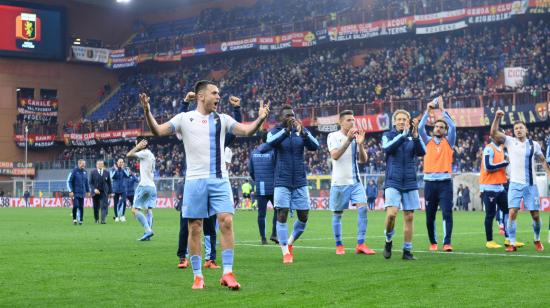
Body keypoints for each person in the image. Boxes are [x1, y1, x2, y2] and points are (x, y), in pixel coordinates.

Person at [140, 79, 269, 290]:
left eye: (218, 93)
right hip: (194, 181)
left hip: (219, 179)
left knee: (226, 221)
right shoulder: (184, 118)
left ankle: (227, 273)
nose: (218, 97)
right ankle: (198, 275)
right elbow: (158, 131)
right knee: (195, 228)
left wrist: (261, 118)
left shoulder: (223, 119)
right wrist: (147, 112)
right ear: (201, 96)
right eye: (214, 93)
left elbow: (247, 131)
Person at [175, 91, 243, 270]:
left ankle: (210, 258)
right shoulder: (191, 131)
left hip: (214, 182)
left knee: (212, 225)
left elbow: (235, 132)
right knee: (188, 224)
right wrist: (184, 103)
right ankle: (183, 256)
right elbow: (179, 124)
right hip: (193, 181)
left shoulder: (220, 140)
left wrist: (237, 110)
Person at [266, 104, 319, 264]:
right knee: (281, 214)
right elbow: (270, 143)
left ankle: (289, 243)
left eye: (292, 115)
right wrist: (286, 131)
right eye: (288, 115)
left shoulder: (300, 131)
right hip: (282, 180)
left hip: (300, 181)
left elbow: (315, 146)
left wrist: (303, 132)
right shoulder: (275, 131)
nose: (291, 118)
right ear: (281, 118)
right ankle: (285, 252)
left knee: (304, 216)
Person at [491, 112, 550, 252]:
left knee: (535, 215)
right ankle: (511, 243)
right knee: (512, 212)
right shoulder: (510, 141)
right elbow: (493, 133)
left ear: (526, 130)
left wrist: (548, 173)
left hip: (531, 185)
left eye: (521, 128)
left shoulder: (534, 144)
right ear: (514, 131)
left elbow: (542, 160)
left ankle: (536, 239)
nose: (518, 130)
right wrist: (497, 118)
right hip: (515, 184)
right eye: (516, 128)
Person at [327, 110, 375, 255]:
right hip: (339, 182)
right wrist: (348, 140)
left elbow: (363, 160)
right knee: (337, 214)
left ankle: (360, 243)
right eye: (348, 120)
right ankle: (339, 244)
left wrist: (360, 145)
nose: (352, 122)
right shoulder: (333, 136)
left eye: (353, 120)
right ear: (341, 122)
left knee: (363, 208)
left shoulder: (355, 138)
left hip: (355, 181)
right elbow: (335, 156)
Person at [381, 110, 425, 260]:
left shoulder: (413, 137)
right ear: (394, 122)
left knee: (409, 217)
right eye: (398, 119)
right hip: (393, 180)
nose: (401, 121)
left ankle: (407, 250)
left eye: (404, 119)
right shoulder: (387, 136)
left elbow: (422, 152)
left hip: (410, 181)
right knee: (392, 214)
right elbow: (387, 148)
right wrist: (403, 135)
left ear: (408, 121)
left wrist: (416, 136)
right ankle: (388, 240)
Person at [418, 96, 456, 252]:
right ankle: (433, 242)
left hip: (445, 183)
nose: (439, 128)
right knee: (430, 216)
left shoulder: (449, 141)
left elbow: (453, 127)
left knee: (447, 213)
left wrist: (442, 109)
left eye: (442, 127)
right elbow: (420, 128)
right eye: (437, 126)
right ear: (433, 129)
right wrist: (428, 111)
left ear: (445, 131)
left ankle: (446, 243)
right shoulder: (427, 142)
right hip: (429, 184)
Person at [479, 139, 510, 248]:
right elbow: (488, 167)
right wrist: (504, 163)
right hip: (489, 187)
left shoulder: (501, 149)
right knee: (490, 214)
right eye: (501, 134)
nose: (503, 137)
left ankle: (508, 238)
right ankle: (489, 241)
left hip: (500, 186)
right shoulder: (489, 148)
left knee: (508, 211)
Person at [249, 131, 277, 244]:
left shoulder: (253, 153)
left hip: (260, 187)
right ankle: (274, 233)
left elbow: (251, 171)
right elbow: (277, 168)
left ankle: (263, 238)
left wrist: (258, 180)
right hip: (274, 187)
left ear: (261, 140)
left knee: (261, 214)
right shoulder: (273, 152)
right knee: (278, 211)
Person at [126, 138, 156, 241]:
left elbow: (128, 154)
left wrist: (138, 147)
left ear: (142, 144)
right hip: (152, 186)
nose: (136, 145)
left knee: (134, 210)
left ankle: (148, 230)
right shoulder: (151, 155)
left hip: (144, 185)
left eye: (137, 143)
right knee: (148, 209)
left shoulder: (144, 153)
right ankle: (148, 234)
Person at [66, 159, 90, 225]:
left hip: (82, 192)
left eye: (84, 164)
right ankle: (74, 219)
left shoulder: (85, 172)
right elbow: (68, 181)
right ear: (79, 164)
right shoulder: (74, 171)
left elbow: (86, 182)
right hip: (75, 192)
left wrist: (88, 191)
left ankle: (81, 220)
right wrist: (70, 191)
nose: (84, 165)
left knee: (81, 207)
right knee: (76, 205)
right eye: (82, 164)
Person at [176, 178, 189, 268]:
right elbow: (179, 196)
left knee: (204, 229)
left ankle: (210, 258)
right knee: (184, 230)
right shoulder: (183, 181)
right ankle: (182, 257)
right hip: (186, 205)